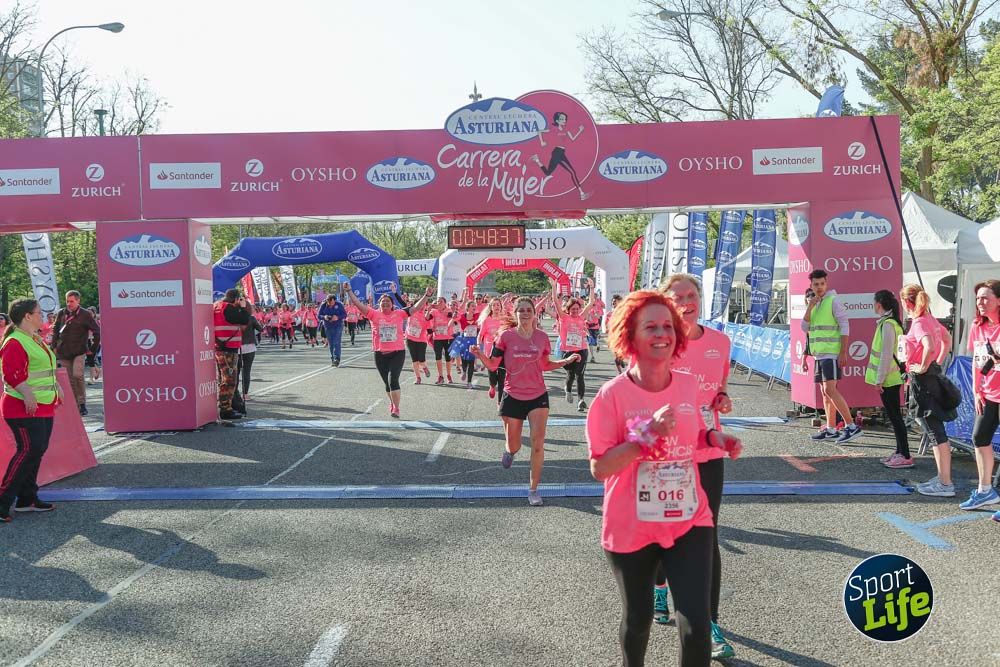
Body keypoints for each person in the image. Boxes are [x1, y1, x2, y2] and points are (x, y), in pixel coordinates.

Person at [587, 290, 742, 667]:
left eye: (668, 326)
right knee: (638, 621)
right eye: (651, 326)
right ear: (630, 336)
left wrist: (714, 438)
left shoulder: (688, 384)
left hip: (688, 519)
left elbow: (693, 434)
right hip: (632, 527)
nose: (663, 333)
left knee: (696, 626)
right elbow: (600, 467)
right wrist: (645, 435)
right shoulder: (611, 396)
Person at [659, 274, 736, 658]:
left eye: (693, 295)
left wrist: (722, 398)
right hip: (666, 455)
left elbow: (718, 387)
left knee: (707, 537)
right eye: (679, 297)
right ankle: (659, 587)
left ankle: (710, 624)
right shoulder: (657, 342)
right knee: (666, 533)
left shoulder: (720, 342)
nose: (688, 302)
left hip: (707, 450)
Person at [470, 297, 581, 506]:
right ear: (516, 314)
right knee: (515, 444)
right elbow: (494, 366)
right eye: (521, 310)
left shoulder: (541, 337)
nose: (525, 313)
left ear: (534, 313)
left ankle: (533, 490)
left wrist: (566, 361)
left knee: (538, 444)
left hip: (538, 395)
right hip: (513, 395)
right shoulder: (505, 337)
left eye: (528, 309)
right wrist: (479, 355)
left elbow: (545, 364)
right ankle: (509, 450)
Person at [0, 299, 62, 522]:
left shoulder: (34, 339)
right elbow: (12, 374)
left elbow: (45, 369)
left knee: (36, 450)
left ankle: (27, 499)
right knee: (28, 450)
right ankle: (3, 501)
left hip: (43, 405)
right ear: (27, 316)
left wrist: (58, 388)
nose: (42, 316)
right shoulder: (15, 341)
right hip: (22, 408)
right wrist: (27, 394)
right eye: (38, 313)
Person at [899, 284, 956, 498]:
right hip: (930, 376)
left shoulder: (920, 322)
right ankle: (943, 478)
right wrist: (937, 363)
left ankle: (945, 483)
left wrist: (923, 366)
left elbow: (930, 344)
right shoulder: (930, 319)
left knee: (934, 432)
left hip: (923, 380)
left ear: (906, 302)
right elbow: (947, 340)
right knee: (935, 430)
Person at [345, 284, 432, 417]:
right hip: (380, 353)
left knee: (393, 381)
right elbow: (358, 304)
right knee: (386, 383)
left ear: (392, 305)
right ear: (379, 305)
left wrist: (427, 295)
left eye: (388, 301)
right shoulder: (373, 314)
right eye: (383, 301)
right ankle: (392, 402)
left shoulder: (399, 313)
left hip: (397, 352)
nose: (385, 303)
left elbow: (415, 308)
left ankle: (396, 408)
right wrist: (349, 291)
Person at [803, 270, 862, 443]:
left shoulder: (833, 301)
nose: (819, 287)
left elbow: (845, 325)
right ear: (811, 285)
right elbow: (804, 327)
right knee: (824, 392)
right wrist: (810, 306)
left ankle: (851, 426)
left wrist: (843, 351)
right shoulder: (815, 304)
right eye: (816, 284)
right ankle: (830, 428)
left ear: (826, 283)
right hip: (819, 355)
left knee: (830, 390)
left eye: (822, 284)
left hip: (831, 353)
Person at [963, 279, 1000, 514]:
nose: (981, 302)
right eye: (978, 298)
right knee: (979, 438)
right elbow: (976, 363)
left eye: (985, 298)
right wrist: (977, 391)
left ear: (998, 300)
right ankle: (985, 490)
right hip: (987, 394)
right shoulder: (977, 326)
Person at [865, 291, 911, 468]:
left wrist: (879, 379)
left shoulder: (888, 325)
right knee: (894, 417)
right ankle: (900, 451)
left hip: (889, 380)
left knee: (895, 417)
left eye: (874, 302)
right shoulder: (890, 323)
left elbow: (885, 355)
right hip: (891, 378)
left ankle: (905, 454)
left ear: (879, 304)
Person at [49, 291, 100, 416]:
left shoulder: (85, 314)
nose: (69, 304)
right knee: (70, 379)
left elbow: (97, 332)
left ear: (78, 301)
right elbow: (56, 330)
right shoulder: (62, 313)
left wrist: (92, 350)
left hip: (79, 350)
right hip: (64, 351)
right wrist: (53, 347)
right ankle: (76, 404)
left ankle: (82, 403)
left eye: (72, 301)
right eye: (67, 301)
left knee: (78, 375)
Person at [552, 279, 595, 412]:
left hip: (581, 350)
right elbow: (555, 303)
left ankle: (581, 400)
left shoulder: (582, 317)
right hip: (567, 352)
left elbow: (591, 302)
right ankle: (568, 389)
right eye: (573, 309)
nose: (576, 311)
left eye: (577, 309)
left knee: (580, 375)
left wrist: (591, 288)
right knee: (570, 375)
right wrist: (554, 288)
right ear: (568, 310)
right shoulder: (563, 317)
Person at [529, 111, 592, 201]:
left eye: (565, 119)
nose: (564, 120)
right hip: (557, 153)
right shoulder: (553, 128)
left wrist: (580, 131)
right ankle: (582, 194)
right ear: (557, 120)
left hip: (561, 152)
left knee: (548, 173)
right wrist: (542, 142)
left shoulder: (566, 129)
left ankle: (537, 160)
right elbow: (540, 131)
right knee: (572, 172)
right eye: (562, 119)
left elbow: (573, 138)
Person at [214, 289, 250, 420]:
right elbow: (245, 319)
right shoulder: (228, 308)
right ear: (235, 299)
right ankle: (226, 409)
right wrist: (243, 307)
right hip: (228, 348)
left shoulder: (216, 306)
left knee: (222, 379)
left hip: (219, 346)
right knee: (229, 380)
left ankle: (224, 406)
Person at [477, 298, 506, 400]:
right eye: (494, 305)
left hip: (503, 351)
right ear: (491, 307)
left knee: (502, 378)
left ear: (501, 306)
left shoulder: (505, 319)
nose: (496, 307)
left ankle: (500, 402)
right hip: (490, 352)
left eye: (498, 305)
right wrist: (478, 345)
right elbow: (480, 335)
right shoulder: (486, 320)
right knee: (493, 375)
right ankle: (492, 386)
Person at [427, 297, 455, 385]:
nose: (439, 303)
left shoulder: (448, 310)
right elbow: (427, 318)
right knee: (438, 357)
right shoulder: (434, 312)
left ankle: (449, 375)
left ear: (445, 303)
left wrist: (451, 316)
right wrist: (428, 310)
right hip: (437, 337)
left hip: (447, 337)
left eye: (441, 301)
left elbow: (451, 318)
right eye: (438, 301)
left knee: (447, 357)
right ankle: (440, 376)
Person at [239, 303, 263, 400]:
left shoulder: (234, 318)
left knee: (236, 372)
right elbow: (260, 329)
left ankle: (234, 394)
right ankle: (245, 394)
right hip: (249, 347)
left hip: (237, 346)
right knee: (246, 371)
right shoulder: (251, 318)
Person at [318, 293, 347, 366]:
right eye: (329, 302)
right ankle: (333, 358)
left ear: (334, 300)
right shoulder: (323, 305)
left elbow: (344, 315)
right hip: (328, 326)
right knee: (331, 343)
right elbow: (318, 315)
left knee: (336, 342)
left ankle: (337, 358)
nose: (330, 303)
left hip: (338, 325)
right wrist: (324, 317)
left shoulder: (339, 305)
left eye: (332, 302)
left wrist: (337, 317)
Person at [406, 304, 432, 384]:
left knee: (421, 360)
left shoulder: (426, 316)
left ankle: (424, 367)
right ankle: (418, 378)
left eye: (423, 306)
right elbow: (401, 303)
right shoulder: (411, 313)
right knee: (414, 360)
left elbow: (429, 330)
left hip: (421, 340)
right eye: (420, 306)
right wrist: (395, 293)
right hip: (410, 339)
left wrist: (432, 328)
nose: (421, 308)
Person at [457, 300, 480, 389]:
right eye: (472, 306)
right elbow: (456, 315)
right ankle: (463, 371)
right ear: (468, 308)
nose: (474, 307)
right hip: (464, 341)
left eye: (475, 306)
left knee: (471, 361)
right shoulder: (462, 317)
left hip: (473, 341)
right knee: (464, 359)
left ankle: (469, 382)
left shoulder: (477, 316)